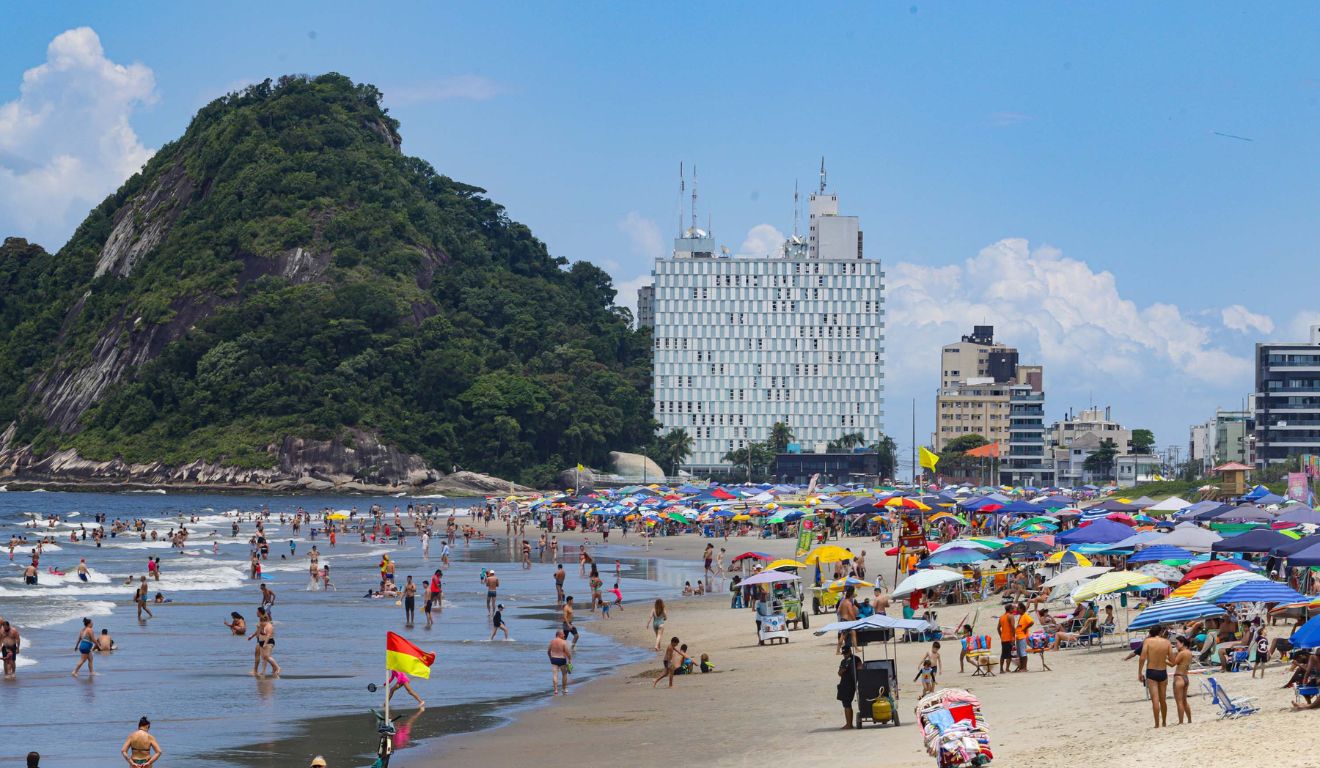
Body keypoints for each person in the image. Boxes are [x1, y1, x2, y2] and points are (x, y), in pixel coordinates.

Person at [1137, 626, 1171, 728]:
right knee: (1163, 700)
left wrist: (1139, 672)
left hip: (1151, 672)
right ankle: (1164, 722)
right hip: (1162, 672)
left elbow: (1142, 658)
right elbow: (1172, 660)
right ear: (1160, 632)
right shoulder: (1167, 642)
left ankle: (1157, 724)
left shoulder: (1147, 641)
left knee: (1155, 700)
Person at [1170, 635, 1193, 724]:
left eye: (1177, 643)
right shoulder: (1189, 652)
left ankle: (1180, 722)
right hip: (1185, 677)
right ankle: (1189, 720)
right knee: (1184, 701)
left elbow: (1172, 664)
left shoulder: (1182, 653)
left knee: (1179, 702)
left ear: (1182, 643)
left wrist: (1162, 660)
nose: (1176, 645)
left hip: (1179, 677)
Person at [837, 643, 861, 729]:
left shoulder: (856, 659)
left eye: (846, 653)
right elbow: (839, 673)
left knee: (847, 703)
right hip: (844, 683)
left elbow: (860, 669)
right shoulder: (843, 661)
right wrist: (843, 670)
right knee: (845, 703)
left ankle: (849, 724)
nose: (845, 655)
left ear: (850, 651)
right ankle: (849, 723)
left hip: (851, 683)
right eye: (844, 654)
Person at [548, 629, 572, 695]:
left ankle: (555, 690)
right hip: (562, 659)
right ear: (559, 634)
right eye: (563, 634)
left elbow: (548, 651)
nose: (564, 635)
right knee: (564, 674)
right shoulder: (563, 642)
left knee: (555, 674)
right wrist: (570, 659)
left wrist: (550, 658)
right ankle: (564, 689)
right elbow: (567, 652)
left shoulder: (552, 641)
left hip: (554, 659)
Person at [1014, 602, 1034, 672]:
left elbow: (1031, 622)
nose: (1017, 610)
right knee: (1020, 653)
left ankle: (1024, 668)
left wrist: (1025, 628)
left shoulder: (1025, 615)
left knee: (1023, 653)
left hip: (1023, 637)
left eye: (1018, 608)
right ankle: (1021, 667)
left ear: (1022, 609)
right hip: (1019, 637)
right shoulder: (1021, 616)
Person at [997, 604, 1017, 674]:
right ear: (1010, 609)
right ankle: (1007, 668)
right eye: (1013, 608)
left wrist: (1001, 635)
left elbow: (998, 628)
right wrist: (1013, 637)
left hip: (1003, 638)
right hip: (1009, 638)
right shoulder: (1011, 616)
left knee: (1003, 654)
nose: (1014, 609)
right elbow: (1012, 627)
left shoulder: (1001, 617)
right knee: (1009, 654)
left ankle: (1001, 669)